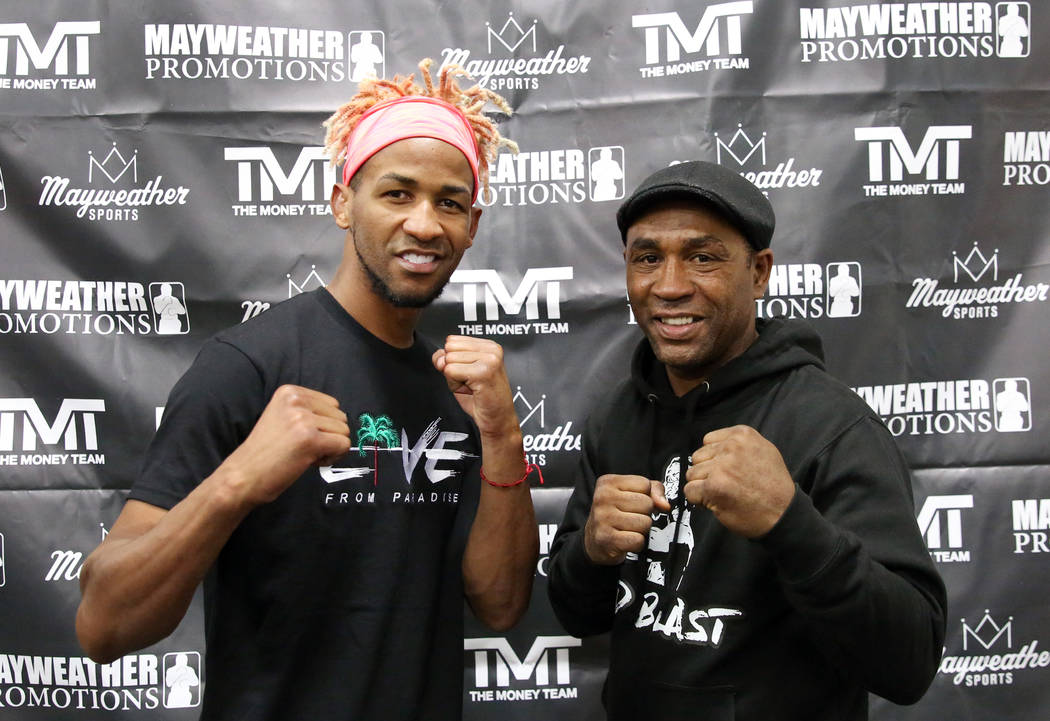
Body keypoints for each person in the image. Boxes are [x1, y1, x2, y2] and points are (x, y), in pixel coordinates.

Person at [76, 60, 539, 721]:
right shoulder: (246, 365)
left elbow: (499, 603)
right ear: (343, 202)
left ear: (473, 222)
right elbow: (103, 625)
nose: (426, 224)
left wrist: (502, 434)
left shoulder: (461, 394)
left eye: (450, 202)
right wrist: (236, 482)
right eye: (397, 193)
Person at [547, 161, 946, 721]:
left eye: (703, 257)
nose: (669, 285)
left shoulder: (831, 426)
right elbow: (576, 615)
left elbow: (909, 664)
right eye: (647, 258)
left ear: (759, 273)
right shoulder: (617, 416)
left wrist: (791, 524)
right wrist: (591, 553)